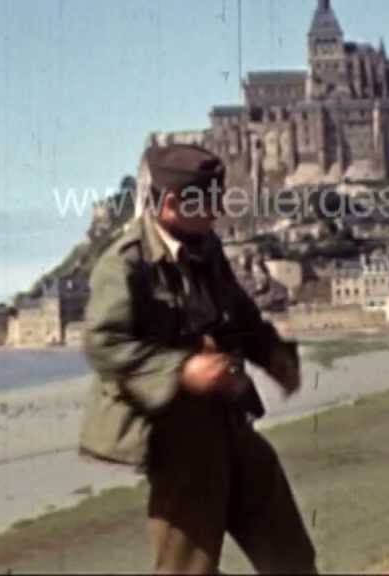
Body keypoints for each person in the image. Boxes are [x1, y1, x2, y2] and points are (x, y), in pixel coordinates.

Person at [78, 143, 316, 574]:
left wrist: (273, 356)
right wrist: (182, 370)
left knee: (292, 558)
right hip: (176, 442)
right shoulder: (123, 265)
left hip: (231, 425)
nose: (219, 210)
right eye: (209, 202)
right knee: (187, 570)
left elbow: (240, 316)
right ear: (171, 204)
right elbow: (103, 343)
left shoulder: (206, 247)